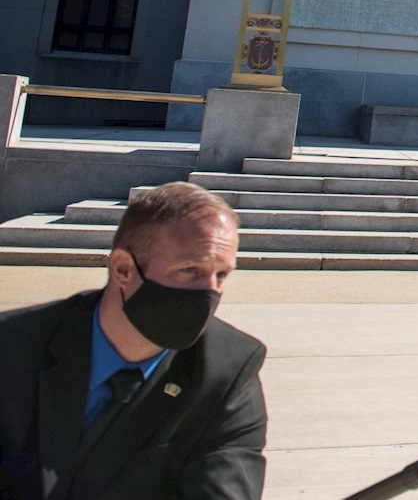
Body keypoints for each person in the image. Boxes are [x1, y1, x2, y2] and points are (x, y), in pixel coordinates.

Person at [0, 181, 268, 499]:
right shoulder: (13, 346)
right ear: (124, 268)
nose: (209, 292)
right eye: (190, 270)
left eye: (221, 275)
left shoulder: (227, 371)